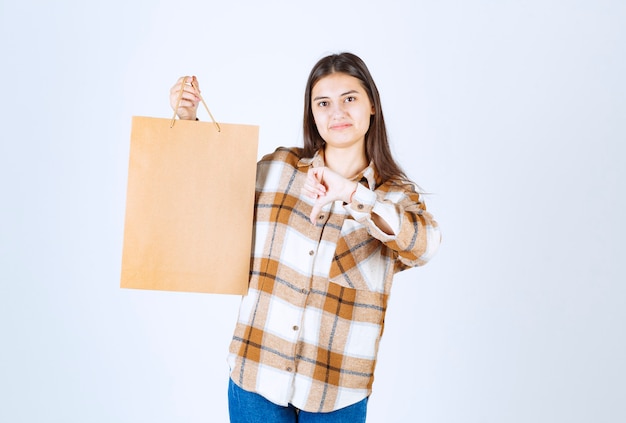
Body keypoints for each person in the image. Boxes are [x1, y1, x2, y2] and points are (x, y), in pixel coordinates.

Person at [169, 52, 441, 423]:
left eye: (350, 98)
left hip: (336, 393)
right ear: (312, 113)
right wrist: (189, 123)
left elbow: (426, 246)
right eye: (323, 103)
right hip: (255, 379)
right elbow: (211, 190)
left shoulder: (393, 197)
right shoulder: (281, 169)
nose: (337, 112)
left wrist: (352, 194)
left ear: (372, 106)